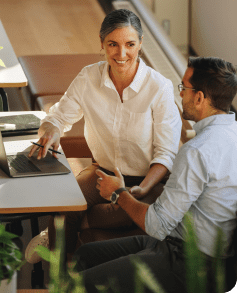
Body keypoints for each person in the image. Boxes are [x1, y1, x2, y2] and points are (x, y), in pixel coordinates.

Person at [25, 8, 182, 264]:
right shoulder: (89, 77)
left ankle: (69, 232)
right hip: (102, 173)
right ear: (102, 44)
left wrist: (137, 190)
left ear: (140, 44)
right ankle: (61, 276)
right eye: (113, 44)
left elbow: (166, 154)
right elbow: (58, 117)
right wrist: (52, 129)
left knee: (113, 213)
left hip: (148, 181)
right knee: (65, 205)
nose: (122, 54)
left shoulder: (159, 88)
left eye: (130, 44)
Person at [73, 56, 237, 293]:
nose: (180, 95)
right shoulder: (230, 133)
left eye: (184, 88)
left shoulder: (197, 151)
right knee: (85, 255)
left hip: (190, 262)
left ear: (200, 97)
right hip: (198, 252)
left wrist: (118, 193)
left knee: (82, 284)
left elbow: (157, 224)